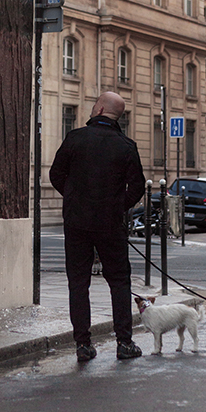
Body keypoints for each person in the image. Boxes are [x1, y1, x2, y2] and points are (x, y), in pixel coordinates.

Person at [49, 91, 146, 362]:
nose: (91, 109)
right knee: (119, 281)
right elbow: (137, 186)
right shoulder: (126, 145)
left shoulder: (75, 139)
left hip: (77, 222)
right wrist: (117, 206)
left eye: (94, 105)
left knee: (78, 283)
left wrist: (73, 197)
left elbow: (56, 174)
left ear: (100, 109)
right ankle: (124, 343)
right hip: (110, 224)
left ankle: (83, 345)